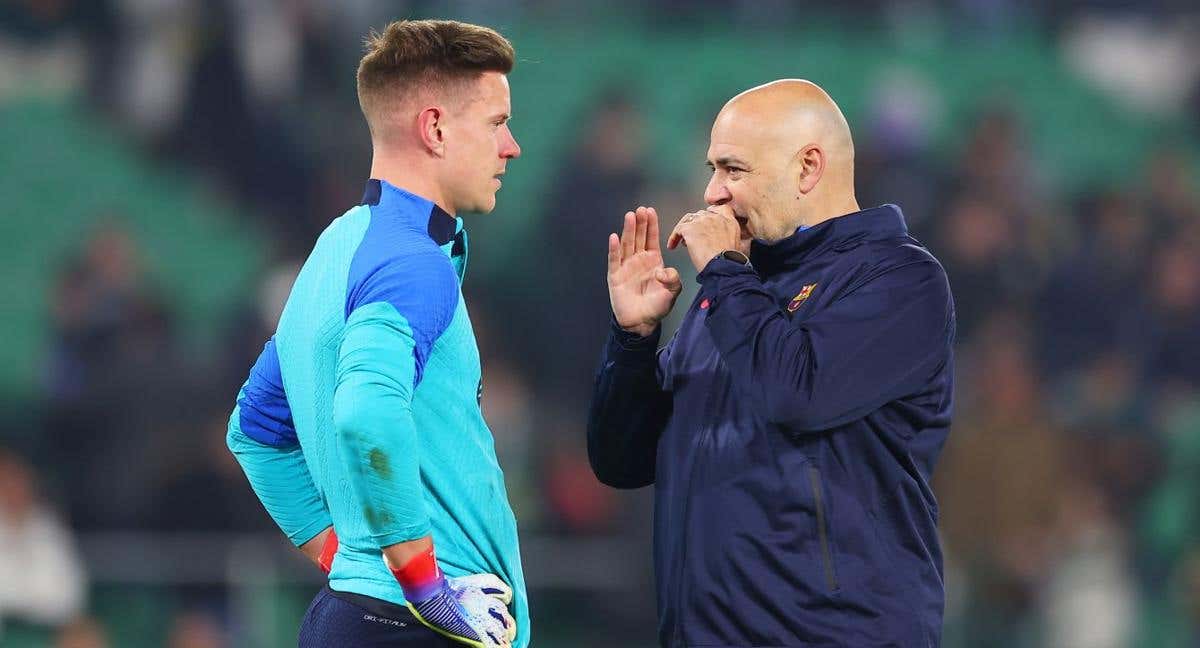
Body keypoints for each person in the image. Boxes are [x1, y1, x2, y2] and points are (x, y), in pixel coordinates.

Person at [589, 79, 956, 647]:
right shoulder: (737, 289)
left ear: (809, 167)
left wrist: (726, 276)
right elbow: (622, 461)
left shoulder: (899, 279)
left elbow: (796, 393)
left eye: (733, 170)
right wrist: (634, 341)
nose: (712, 193)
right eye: (712, 169)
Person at [226, 19, 526, 647]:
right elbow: (365, 412)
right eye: (497, 123)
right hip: (414, 627)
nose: (511, 146)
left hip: (358, 614)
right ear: (435, 128)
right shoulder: (413, 263)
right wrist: (426, 592)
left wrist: (350, 564)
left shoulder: (337, 247)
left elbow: (254, 431)